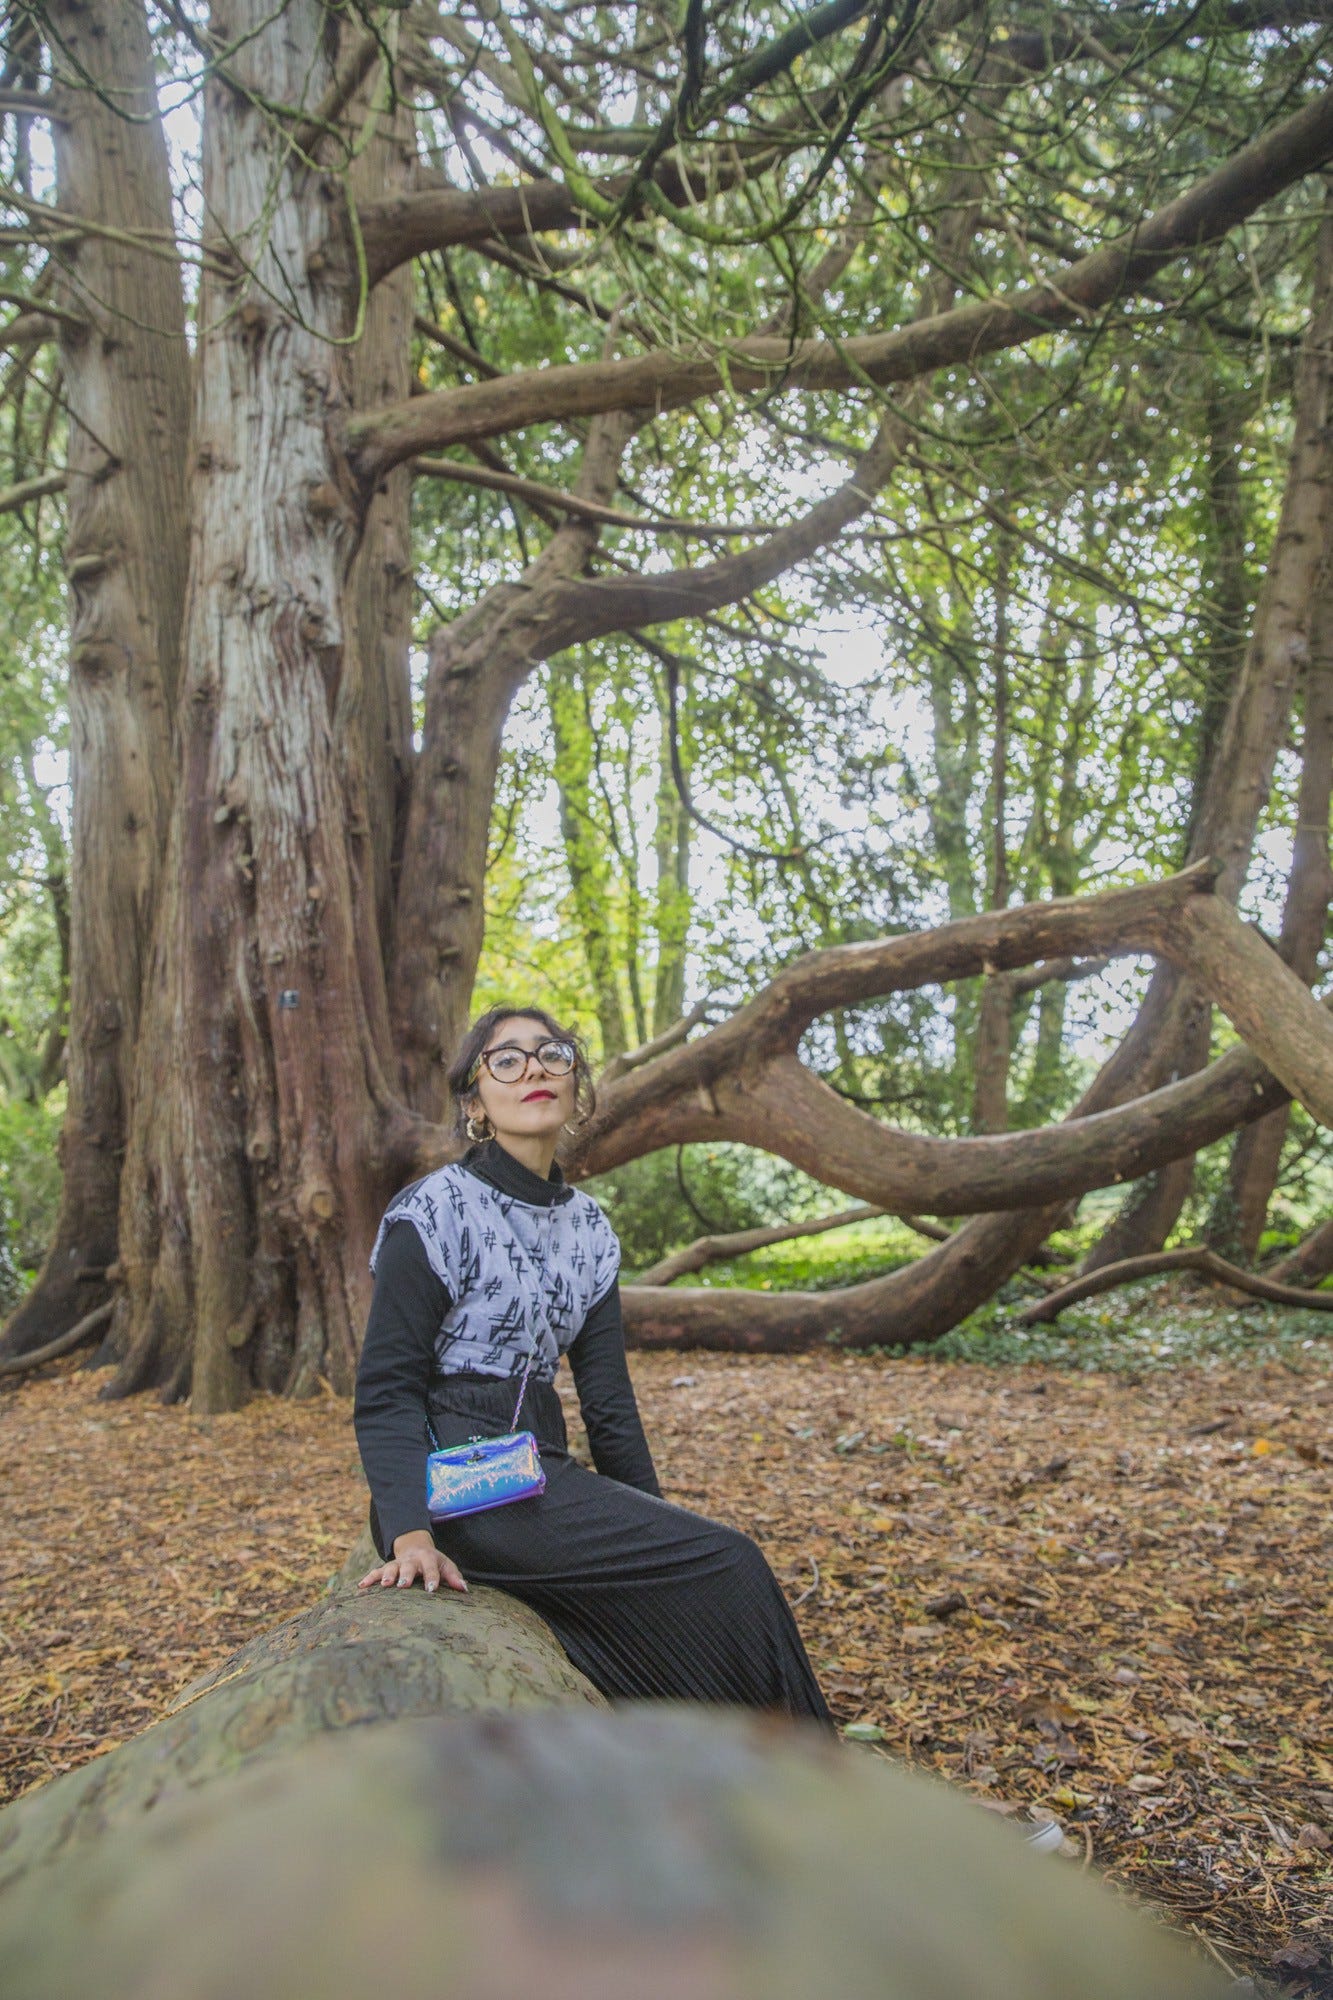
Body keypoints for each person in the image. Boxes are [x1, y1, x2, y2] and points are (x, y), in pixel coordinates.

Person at [354, 1003, 833, 1725]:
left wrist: (654, 1520)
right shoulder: (434, 1212)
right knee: (733, 1564)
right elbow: (386, 1390)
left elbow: (608, 1403)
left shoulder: (588, 1231)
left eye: (553, 1054)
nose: (535, 1069)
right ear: (475, 1103)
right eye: (506, 1060)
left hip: (539, 1473)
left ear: (575, 1083)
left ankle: (720, 1768)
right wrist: (408, 1534)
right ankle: (808, 1774)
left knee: (688, 1581)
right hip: (453, 1488)